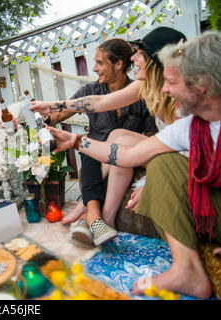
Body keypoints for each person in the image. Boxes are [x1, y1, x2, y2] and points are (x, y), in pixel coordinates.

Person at [46, 30, 220, 299]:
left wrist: (155, 181)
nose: (165, 89)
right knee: (104, 142)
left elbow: (149, 147)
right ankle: (97, 214)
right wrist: (74, 141)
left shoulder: (172, 109)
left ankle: (94, 213)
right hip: (117, 154)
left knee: (158, 162)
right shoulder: (189, 126)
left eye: (172, 82)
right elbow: (126, 154)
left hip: (172, 169)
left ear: (201, 84)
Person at [30, 27, 185, 233]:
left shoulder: (178, 93)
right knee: (108, 142)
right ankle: (105, 220)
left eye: (141, 54)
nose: (135, 58)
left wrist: (153, 180)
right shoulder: (145, 85)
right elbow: (99, 102)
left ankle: (87, 208)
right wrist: (50, 107)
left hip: (177, 158)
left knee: (113, 141)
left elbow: (166, 140)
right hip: (107, 154)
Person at [43, 38, 158, 246]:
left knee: (110, 149)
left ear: (119, 64)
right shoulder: (90, 91)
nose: (94, 68)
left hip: (125, 154)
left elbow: (150, 136)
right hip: (94, 157)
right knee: (89, 151)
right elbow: (60, 115)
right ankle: (95, 218)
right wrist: (44, 119)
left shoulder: (140, 93)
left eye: (100, 63)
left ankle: (85, 212)